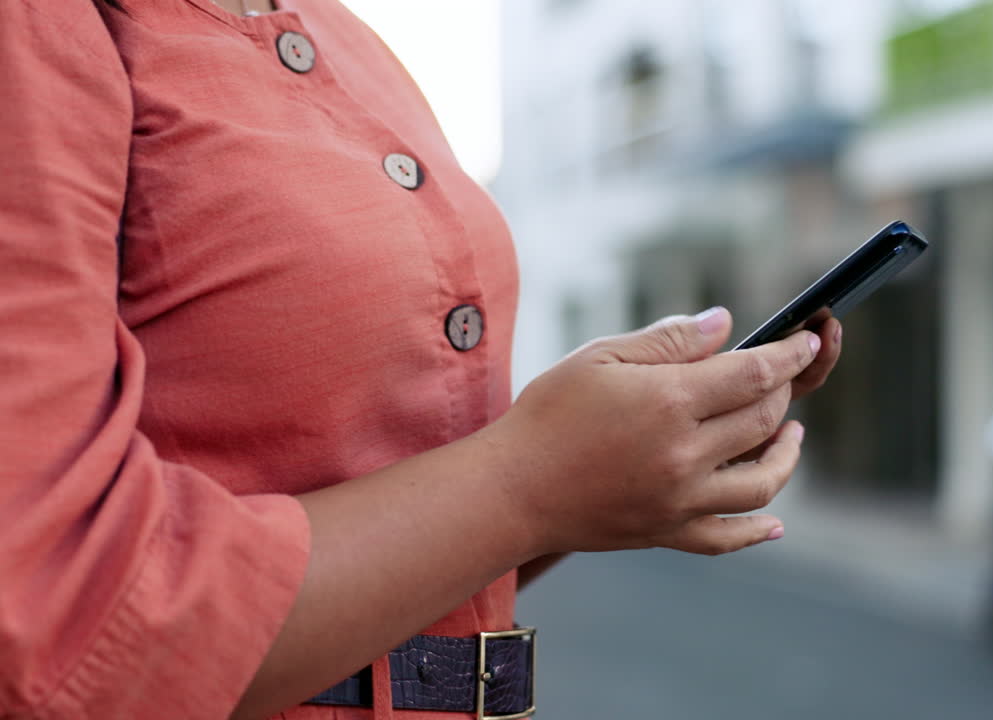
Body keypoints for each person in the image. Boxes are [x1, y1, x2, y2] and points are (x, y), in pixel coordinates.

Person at [0, 0, 843, 718]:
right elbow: (60, 616)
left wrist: (615, 461)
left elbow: (413, 515)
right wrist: (533, 479)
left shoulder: (347, 42)